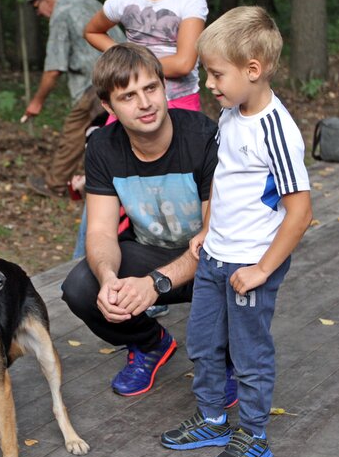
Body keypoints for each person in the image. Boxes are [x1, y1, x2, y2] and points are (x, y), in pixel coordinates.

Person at [159, 6, 312, 457]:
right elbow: (228, 183)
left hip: (250, 265)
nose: (209, 83)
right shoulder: (232, 112)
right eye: (207, 72)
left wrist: (262, 269)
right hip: (216, 255)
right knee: (204, 343)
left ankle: (253, 434)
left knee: (248, 354)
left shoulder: (275, 130)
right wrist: (207, 230)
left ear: (253, 70)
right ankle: (211, 419)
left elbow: (301, 211)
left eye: (216, 73)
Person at [60, 43, 238, 401]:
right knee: (82, 286)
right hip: (151, 254)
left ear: (164, 87)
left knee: (236, 273)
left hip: (213, 258)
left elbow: (215, 235)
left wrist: (155, 284)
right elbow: (99, 231)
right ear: (108, 107)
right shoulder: (103, 148)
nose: (145, 103)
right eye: (128, 96)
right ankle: (150, 343)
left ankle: (227, 360)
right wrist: (110, 279)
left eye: (151, 88)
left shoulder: (204, 137)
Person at [84, 0, 207, 113]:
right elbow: (92, 31)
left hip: (180, 102)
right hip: (132, 102)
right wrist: (122, 57)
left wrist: (133, 66)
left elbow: (184, 63)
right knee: (109, 140)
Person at [23, 0, 125, 198]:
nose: (39, 14)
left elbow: (53, 69)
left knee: (74, 133)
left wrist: (37, 101)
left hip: (94, 84)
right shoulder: (87, 1)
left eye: (36, 8)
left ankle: (55, 185)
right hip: (124, 73)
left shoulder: (61, 15)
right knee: (120, 132)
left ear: (46, 0)